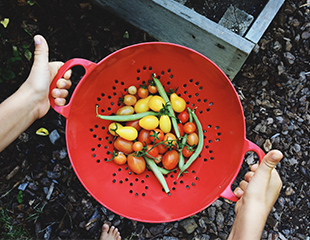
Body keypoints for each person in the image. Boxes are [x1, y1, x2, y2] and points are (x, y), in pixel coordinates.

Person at [0, 35, 282, 240]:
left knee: (157, 136)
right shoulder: (145, 136)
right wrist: (251, 217)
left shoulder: (152, 138)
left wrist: (31, 101)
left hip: (152, 135)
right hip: (149, 135)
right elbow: (150, 136)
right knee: (147, 133)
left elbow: (157, 138)